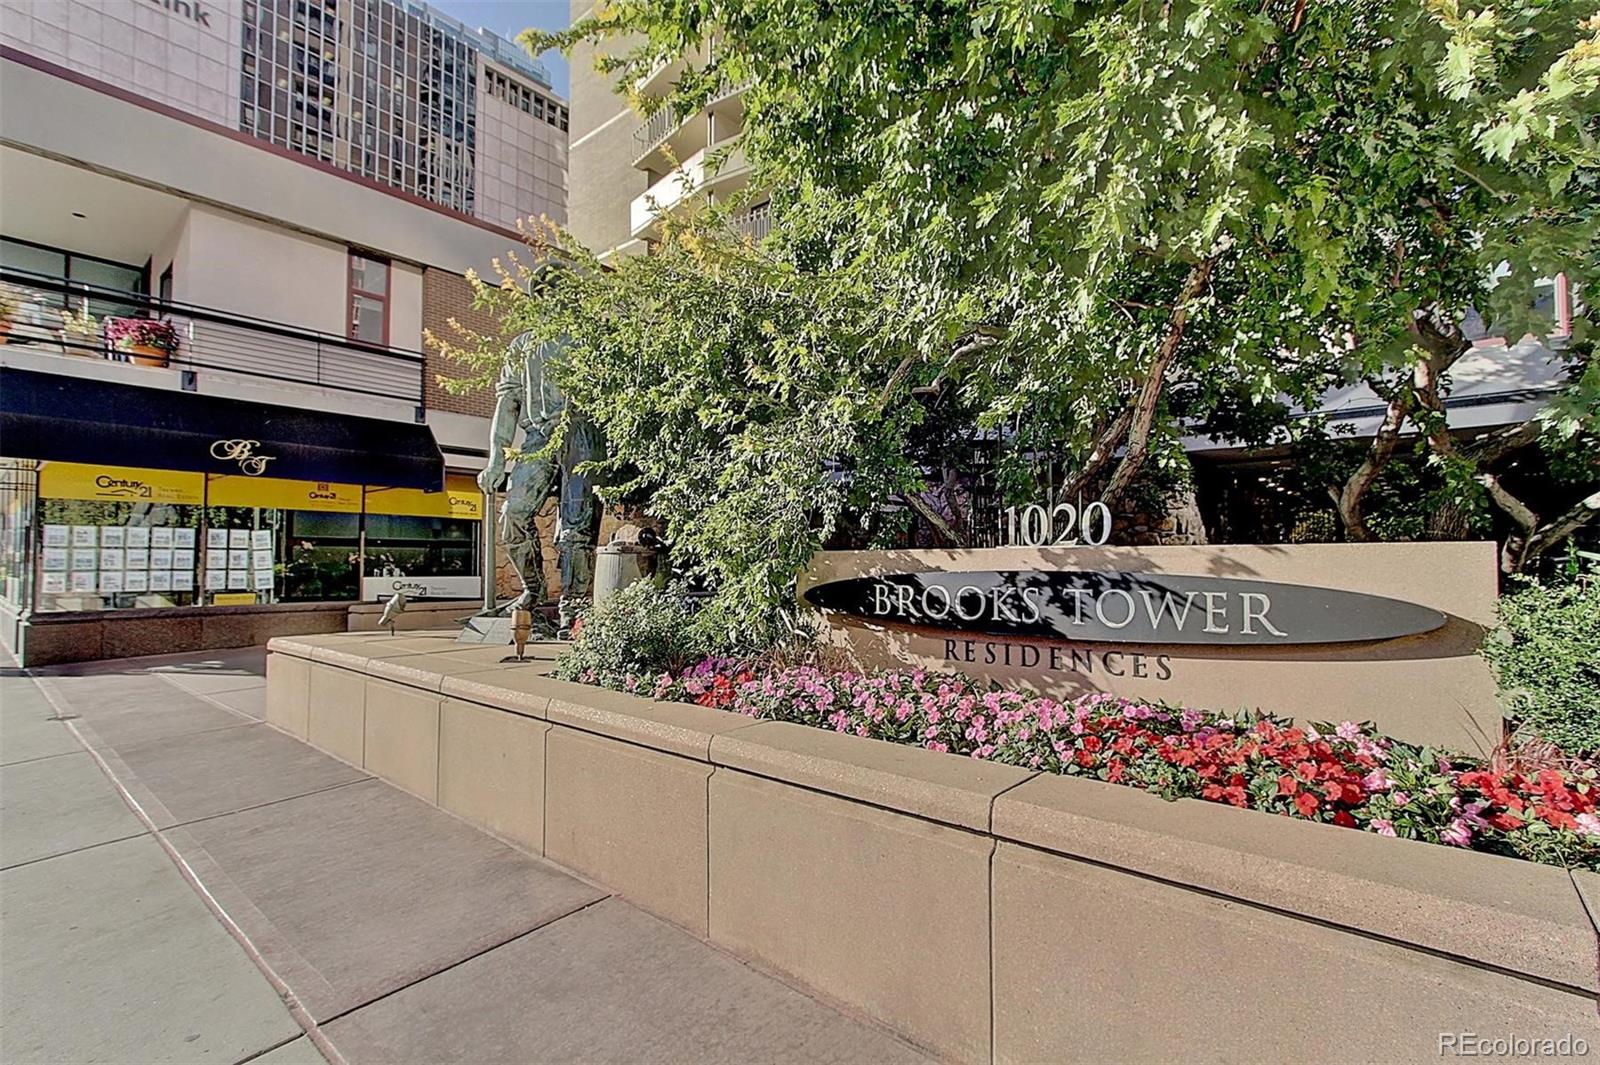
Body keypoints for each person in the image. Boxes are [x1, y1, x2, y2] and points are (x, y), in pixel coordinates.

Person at [476, 330, 603, 635]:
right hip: (538, 435)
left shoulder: (587, 336)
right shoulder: (521, 345)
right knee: (514, 513)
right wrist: (496, 459)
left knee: (576, 526)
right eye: (543, 287)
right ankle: (533, 590)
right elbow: (508, 402)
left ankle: (574, 609)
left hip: (582, 432)